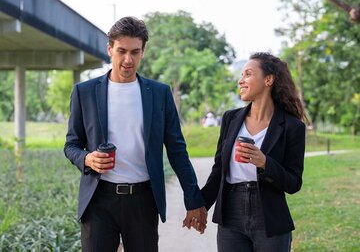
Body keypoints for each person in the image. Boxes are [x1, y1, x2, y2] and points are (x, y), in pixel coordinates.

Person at [64, 16, 207, 252]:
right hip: (99, 200)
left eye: (135, 52)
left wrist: (193, 198)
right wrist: (87, 159)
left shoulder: (160, 94)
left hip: (143, 201)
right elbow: (71, 145)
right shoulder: (84, 92)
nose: (128, 60)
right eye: (121, 51)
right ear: (109, 49)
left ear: (143, 51)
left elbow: (177, 150)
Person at [201, 52, 307, 252]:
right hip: (230, 215)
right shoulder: (230, 119)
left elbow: (294, 183)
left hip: (270, 218)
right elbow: (218, 170)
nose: (241, 80)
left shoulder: (292, 127)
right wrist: (199, 206)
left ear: (268, 80)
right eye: (241, 75)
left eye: (248, 74)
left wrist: (265, 163)